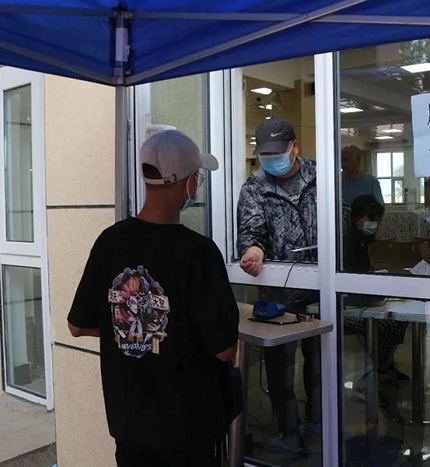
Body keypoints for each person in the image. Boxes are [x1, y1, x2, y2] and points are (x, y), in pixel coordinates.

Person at [67, 130, 239, 467]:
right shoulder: (199, 253)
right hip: (189, 430)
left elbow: (78, 325)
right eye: (198, 177)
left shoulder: (109, 242)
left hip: (130, 427)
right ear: (190, 182)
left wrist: (135, 333)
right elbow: (224, 349)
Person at [237, 117, 349, 452]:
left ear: (294, 148)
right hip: (279, 294)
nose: (271, 160)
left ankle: (320, 418)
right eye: (265, 155)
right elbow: (251, 231)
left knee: (320, 359)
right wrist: (253, 250)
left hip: (320, 289)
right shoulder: (255, 188)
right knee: (280, 367)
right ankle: (288, 428)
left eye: (277, 153)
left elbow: (342, 218)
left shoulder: (321, 176)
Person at [342, 195, 410, 406]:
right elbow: (351, 283)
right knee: (386, 324)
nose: (375, 223)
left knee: (401, 318)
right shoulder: (349, 242)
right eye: (371, 218)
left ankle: (385, 365)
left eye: (377, 219)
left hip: (367, 301)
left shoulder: (367, 241)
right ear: (358, 219)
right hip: (348, 307)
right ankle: (373, 374)